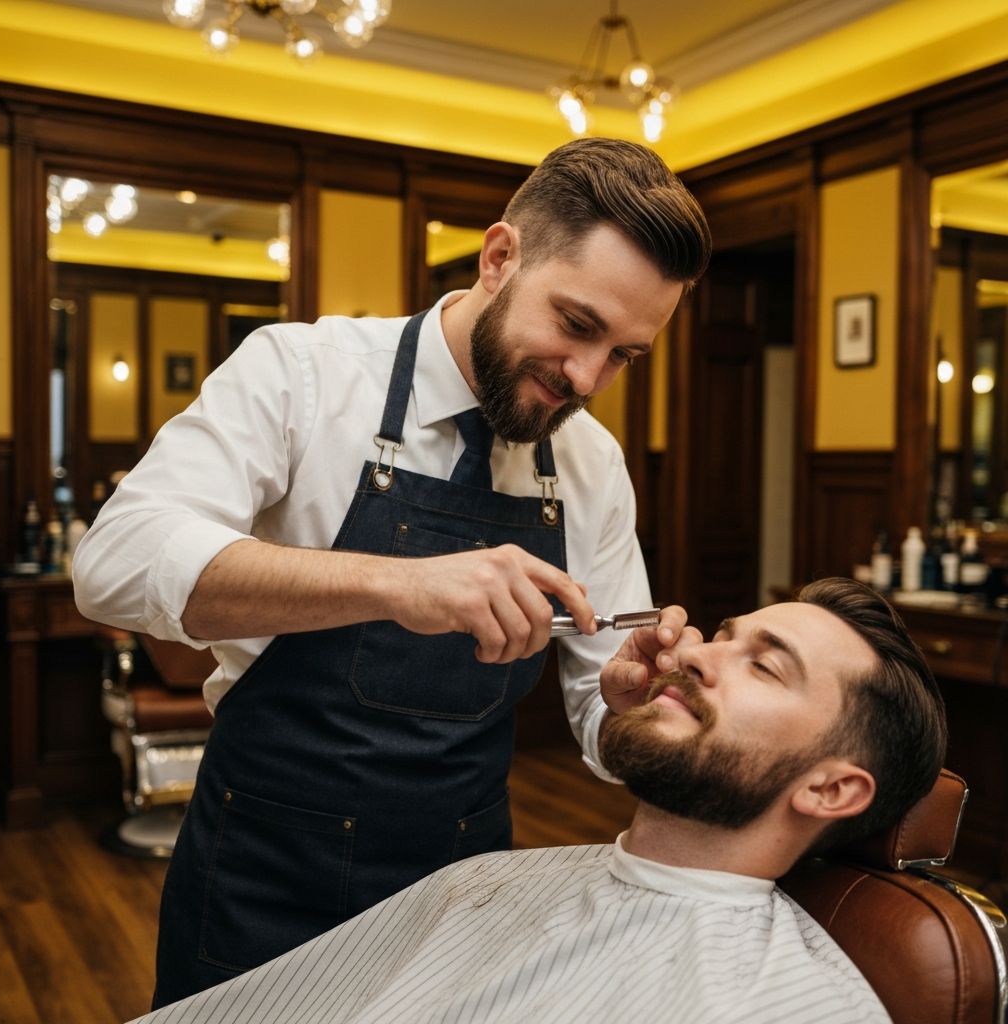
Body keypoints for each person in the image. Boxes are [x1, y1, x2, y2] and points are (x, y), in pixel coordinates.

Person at [72, 137, 713, 1006]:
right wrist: (397, 583)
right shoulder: (304, 374)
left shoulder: (591, 465)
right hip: (263, 873)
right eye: (577, 325)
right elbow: (115, 561)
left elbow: (601, 712)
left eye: (624, 357)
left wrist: (631, 706)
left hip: (464, 889)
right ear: (499, 258)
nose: (586, 378)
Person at [127, 577, 947, 1024]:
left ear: (832, 788)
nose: (696, 654)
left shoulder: (778, 1008)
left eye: (764, 666)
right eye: (723, 633)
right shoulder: (477, 885)